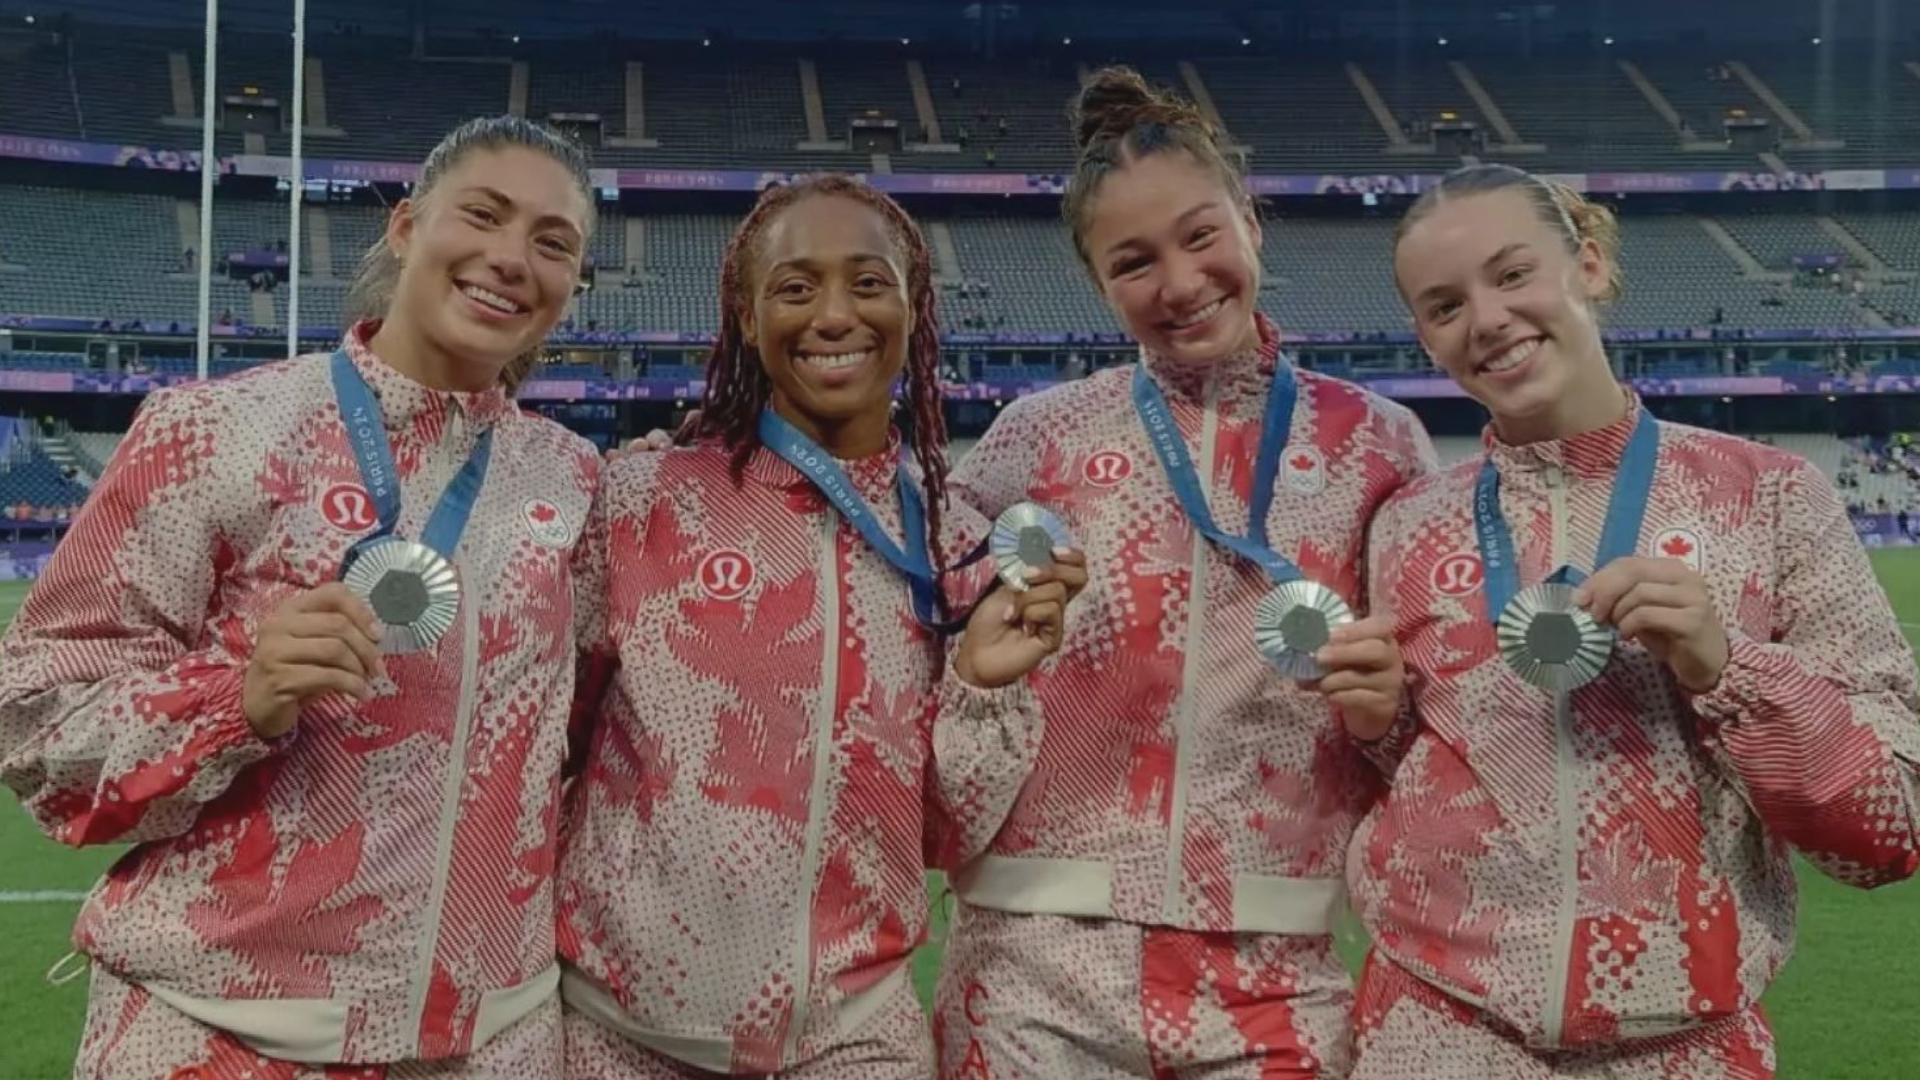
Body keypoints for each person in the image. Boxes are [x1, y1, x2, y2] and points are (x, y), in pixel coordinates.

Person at [0, 116, 603, 1079]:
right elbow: (34, 723)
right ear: (406, 227)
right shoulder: (212, 432)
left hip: (494, 1045)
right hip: (217, 1036)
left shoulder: (576, 482)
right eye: (481, 215)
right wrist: (233, 697)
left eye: (552, 242)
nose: (509, 258)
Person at [1350, 162, 1920, 1078]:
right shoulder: (1405, 524)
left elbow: (1888, 831)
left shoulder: (1770, 498)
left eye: (1511, 274)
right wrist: (1376, 726)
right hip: (1431, 1037)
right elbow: (1417, 773)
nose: (1487, 320)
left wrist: (1722, 667)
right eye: (1443, 305)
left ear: (1589, 265)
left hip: (1683, 1049)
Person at [933, 68, 1435, 1079]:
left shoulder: (1381, 444)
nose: (1178, 280)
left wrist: (1389, 713)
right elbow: (911, 594)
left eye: (1201, 235)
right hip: (1032, 969)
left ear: (1251, 220)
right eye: (1133, 262)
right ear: (1098, 283)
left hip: (1275, 966)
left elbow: (1434, 712)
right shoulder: (1038, 436)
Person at [558, 174, 1086, 1078]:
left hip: (853, 1044)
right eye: (796, 288)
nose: (834, 315)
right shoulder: (640, 501)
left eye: (869, 282)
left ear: (914, 308)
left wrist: (982, 689)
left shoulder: (959, 548)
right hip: (619, 1038)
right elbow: (546, 748)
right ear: (748, 316)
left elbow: (942, 839)